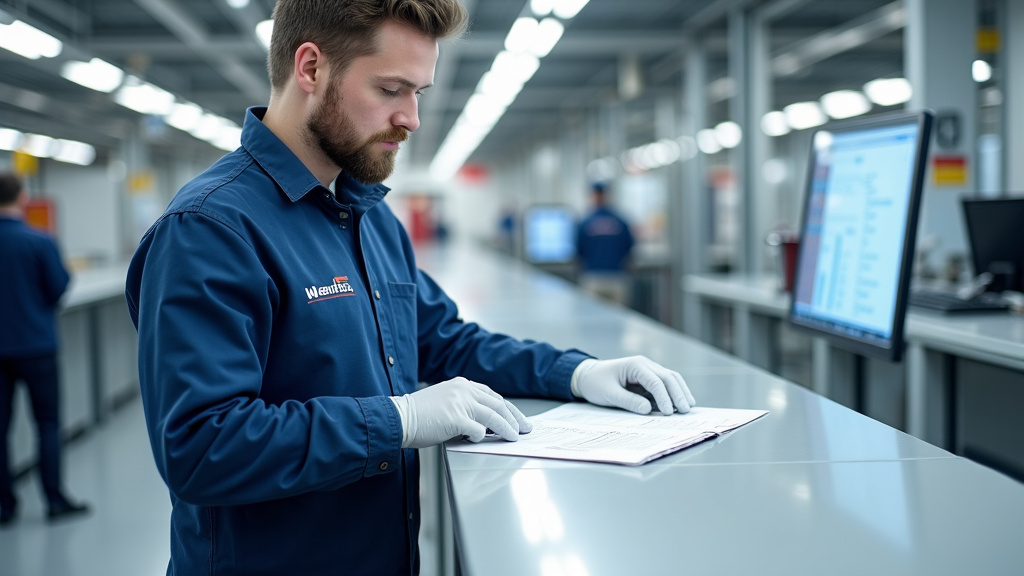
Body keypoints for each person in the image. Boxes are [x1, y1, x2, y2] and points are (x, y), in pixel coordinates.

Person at [124, 1, 695, 574]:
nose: (412, 118)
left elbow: (444, 342)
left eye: (419, 92)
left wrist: (575, 373)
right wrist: (399, 420)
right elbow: (200, 447)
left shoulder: (368, 217)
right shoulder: (210, 229)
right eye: (392, 89)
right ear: (311, 68)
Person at [0, 172, 90, 527]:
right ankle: (54, 499)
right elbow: (58, 288)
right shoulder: (39, 241)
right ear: (22, 198)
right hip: (37, 346)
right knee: (48, 423)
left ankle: (4, 505)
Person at [576, 182, 636, 305]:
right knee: (618, 317)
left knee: (592, 317)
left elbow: (578, 250)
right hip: (616, 275)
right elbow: (629, 246)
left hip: (593, 276)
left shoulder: (586, 222)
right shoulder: (619, 221)